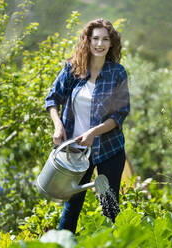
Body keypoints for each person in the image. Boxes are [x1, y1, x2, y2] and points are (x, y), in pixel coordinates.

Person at [44, 18, 130, 233]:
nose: (99, 44)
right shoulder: (73, 69)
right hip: (77, 152)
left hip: (109, 150)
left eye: (105, 39)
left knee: (109, 206)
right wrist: (57, 126)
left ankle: (114, 244)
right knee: (72, 206)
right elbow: (52, 98)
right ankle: (63, 244)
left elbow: (120, 115)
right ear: (87, 41)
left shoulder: (117, 73)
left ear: (112, 43)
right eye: (95, 39)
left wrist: (94, 132)